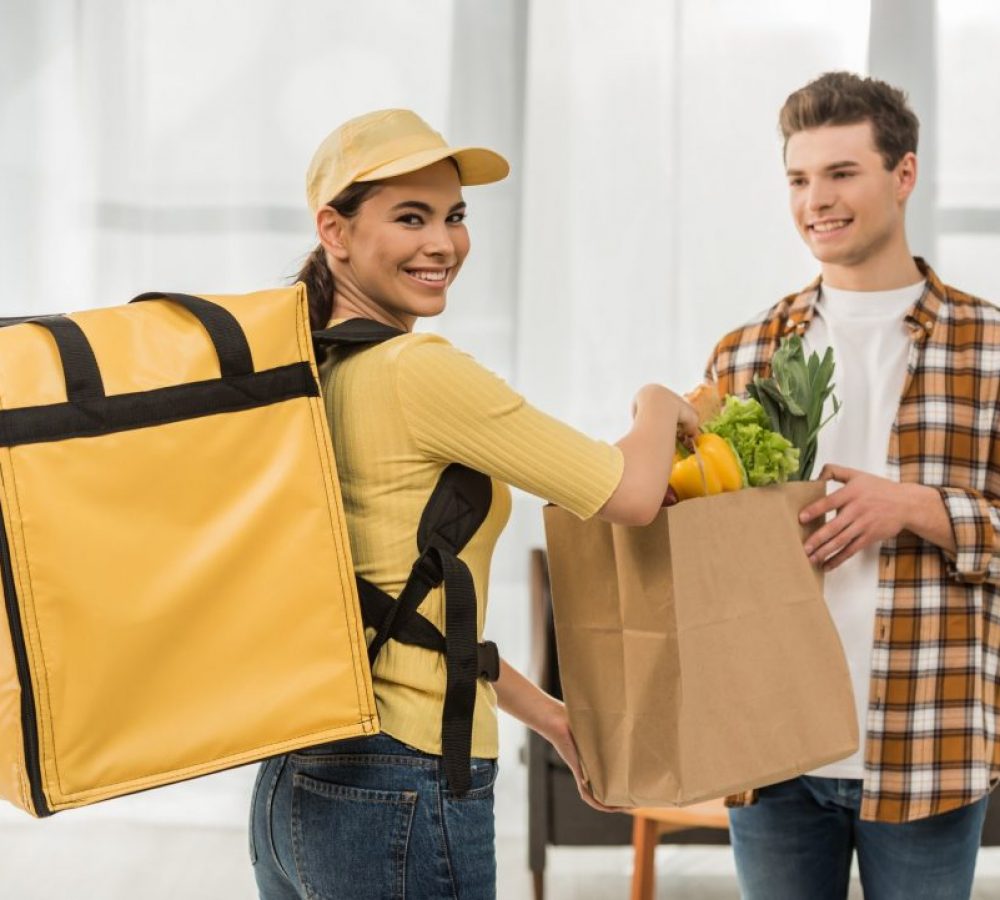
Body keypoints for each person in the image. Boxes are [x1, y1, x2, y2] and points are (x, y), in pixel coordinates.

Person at [249, 108, 698, 900]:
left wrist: (554, 717)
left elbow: (400, 610)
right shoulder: (416, 371)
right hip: (406, 785)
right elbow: (629, 495)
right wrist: (659, 401)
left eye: (455, 217)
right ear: (336, 231)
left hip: (296, 783)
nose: (443, 244)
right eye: (410, 217)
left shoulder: (304, 366)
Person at [705, 72, 1000, 900]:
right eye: (799, 179)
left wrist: (917, 507)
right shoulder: (743, 353)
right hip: (771, 740)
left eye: (841, 174)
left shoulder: (990, 347)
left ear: (903, 176)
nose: (815, 201)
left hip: (926, 739)